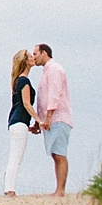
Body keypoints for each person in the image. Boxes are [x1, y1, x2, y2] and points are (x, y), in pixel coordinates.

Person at [31, 43, 72, 196]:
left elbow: (54, 95)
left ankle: (60, 189)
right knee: (55, 153)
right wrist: (38, 122)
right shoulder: (45, 72)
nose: (33, 57)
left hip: (58, 118)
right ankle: (58, 188)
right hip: (50, 120)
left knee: (60, 153)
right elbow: (42, 99)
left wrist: (48, 118)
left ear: (44, 53)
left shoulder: (55, 69)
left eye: (35, 54)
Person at [4, 48, 42, 195]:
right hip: (19, 122)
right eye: (30, 56)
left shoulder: (18, 80)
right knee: (16, 157)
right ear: (25, 62)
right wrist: (39, 120)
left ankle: (9, 188)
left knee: (14, 156)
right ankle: (10, 190)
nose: (33, 57)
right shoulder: (24, 80)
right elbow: (27, 104)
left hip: (17, 122)